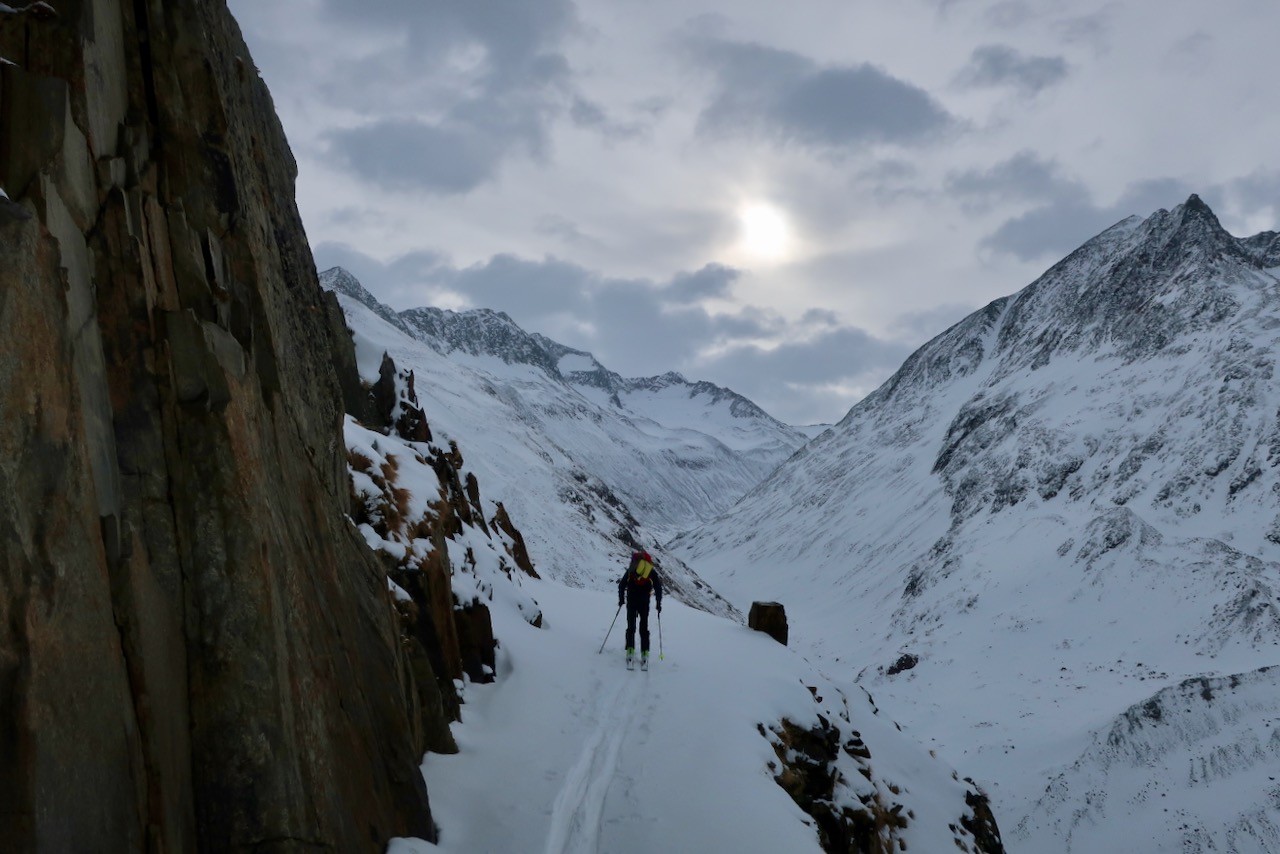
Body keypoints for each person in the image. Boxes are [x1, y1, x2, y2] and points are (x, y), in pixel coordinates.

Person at [617, 549, 663, 670]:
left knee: (631, 627)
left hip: (632, 600)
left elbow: (622, 584)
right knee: (644, 628)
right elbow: (658, 586)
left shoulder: (632, 569)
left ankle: (630, 652)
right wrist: (658, 603)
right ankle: (645, 654)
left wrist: (621, 599)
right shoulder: (650, 570)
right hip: (644, 602)